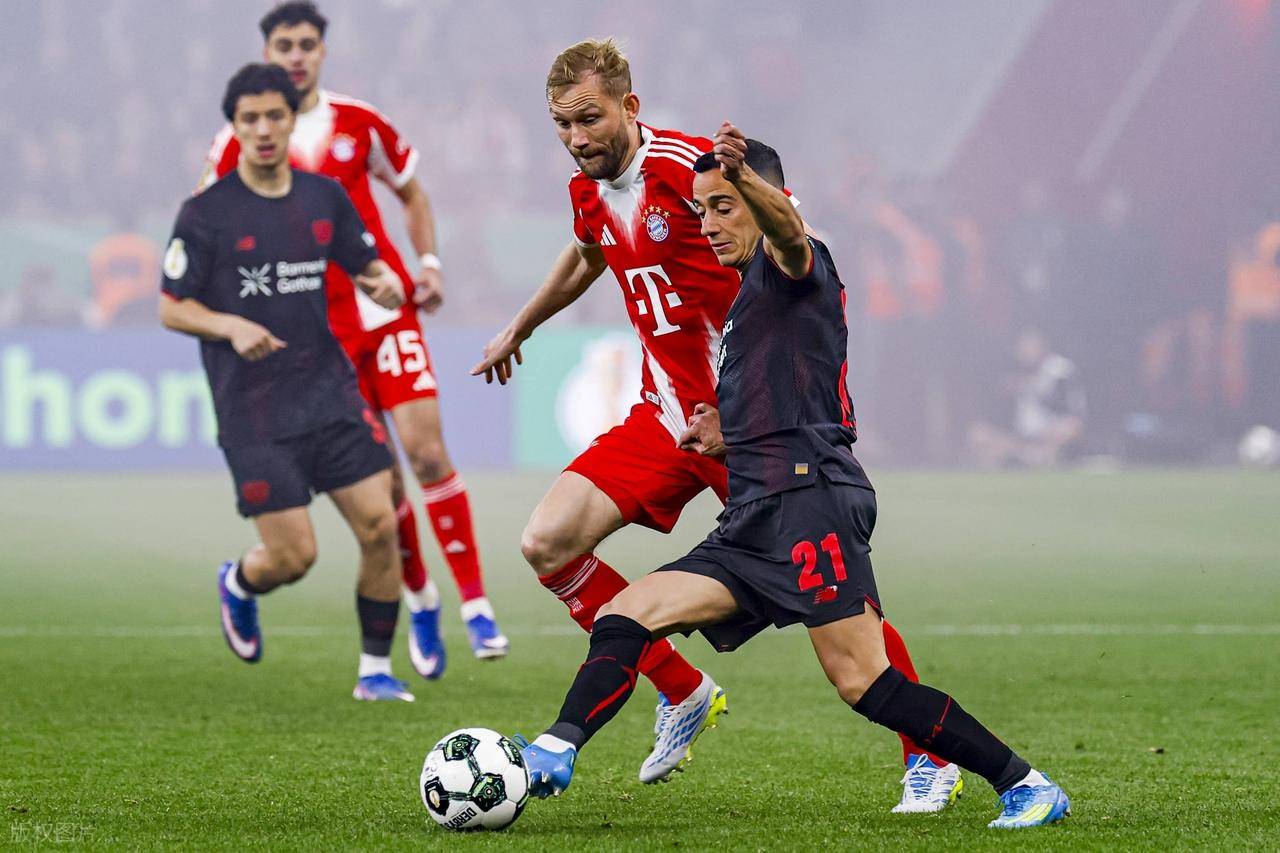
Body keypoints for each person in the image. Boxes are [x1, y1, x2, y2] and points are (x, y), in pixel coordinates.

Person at [515, 126, 1072, 830]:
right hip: (755, 512)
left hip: (812, 501)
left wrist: (750, 184)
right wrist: (726, 430)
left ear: (765, 200)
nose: (707, 224)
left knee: (865, 682)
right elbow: (786, 392)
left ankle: (1025, 784)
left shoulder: (795, 265)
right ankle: (555, 746)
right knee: (627, 614)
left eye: (723, 207)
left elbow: (789, 234)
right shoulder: (748, 296)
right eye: (701, 210)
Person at [472, 39, 956, 811]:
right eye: (562, 123)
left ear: (630, 106)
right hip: (666, 419)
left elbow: (790, 238)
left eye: (590, 118)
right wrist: (520, 326)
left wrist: (765, 407)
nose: (576, 137)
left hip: (750, 429)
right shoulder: (587, 190)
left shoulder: (688, 169)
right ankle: (683, 688)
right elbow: (588, 251)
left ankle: (928, 755)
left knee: (842, 614)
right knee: (547, 541)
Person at [201, 1, 505, 677]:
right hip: (318, 341)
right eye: (285, 45)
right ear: (267, 52)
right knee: (383, 484)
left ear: (323, 51)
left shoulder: (360, 122)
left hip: (384, 310)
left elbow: (412, 193)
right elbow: (208, 223)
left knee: (427, 450)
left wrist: (428, 265)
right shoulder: (239, 140)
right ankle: (421, 599)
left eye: (307, 44)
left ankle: (477, 604)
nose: (296, 56)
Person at [161, 63, 414, 702]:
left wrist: (384, 281)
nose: (264, 129)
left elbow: (367, 265)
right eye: (250, 119)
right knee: (294, 558)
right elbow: (171, 307)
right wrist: (228, 325)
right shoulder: (205, 214)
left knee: (380, 525)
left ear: (291, 119)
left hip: (328, 391)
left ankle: (375, 672)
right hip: (253, 411)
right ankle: (240, 583)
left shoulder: (323, 196)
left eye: (275, 115)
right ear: (235, 127)